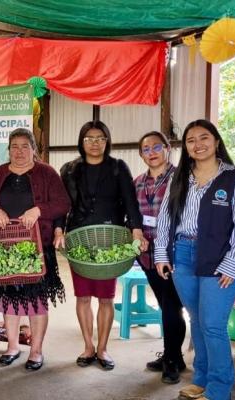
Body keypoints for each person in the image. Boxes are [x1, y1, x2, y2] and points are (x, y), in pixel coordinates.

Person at [154, 120, 235, 400]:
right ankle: (201, 379)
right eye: (190, 140)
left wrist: (232, 263)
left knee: (212, 324)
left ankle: (219, 389)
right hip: (183, 255)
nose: (198, 144)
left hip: (219, 258)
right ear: (185, 147)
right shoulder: (181, 177)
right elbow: (165, 217)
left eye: (204, 137)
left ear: (217, 141)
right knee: (197, 320)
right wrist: (162, 253)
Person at [55, 120, 147, 371]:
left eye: (100, 138)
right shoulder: (70, 169)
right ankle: (87, 346)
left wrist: (136, 231)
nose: (95, 143)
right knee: (83, 296)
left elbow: (130, 202)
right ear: (81, 142)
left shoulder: (117, 168)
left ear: (107, 141)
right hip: (79, 241)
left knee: (106, 297)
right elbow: (61, 204)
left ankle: (103, 348)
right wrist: (59, 229)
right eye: (89, 138)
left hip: (110, 240)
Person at [0, 128, 71, 371]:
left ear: (33, 149)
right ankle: (12, 346)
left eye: (24, 146)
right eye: (14, 146)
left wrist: (39, 209)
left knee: (37, 301)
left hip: (38, 247)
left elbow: (63, 203)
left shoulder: (47, 173)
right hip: (6, 248)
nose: (19, 151)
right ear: (8, 150)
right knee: (9, 300)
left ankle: (36, 350)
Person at [133, 131, 186, 384]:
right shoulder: (138, 182)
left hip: (174, 255)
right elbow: (133, 218)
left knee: (172, 307)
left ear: (167, 148)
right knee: (166, 305)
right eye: (146, 149)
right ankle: (173, 354)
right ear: (141, 154)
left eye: (156, 147)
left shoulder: (182, 178)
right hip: (147, 255)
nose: (151, 152)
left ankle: (173, 360)